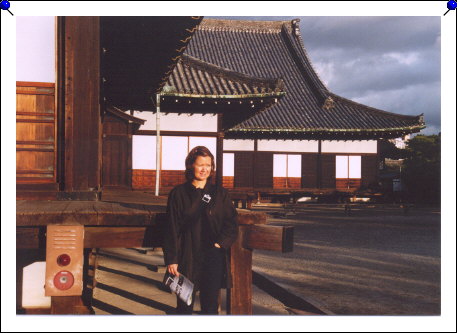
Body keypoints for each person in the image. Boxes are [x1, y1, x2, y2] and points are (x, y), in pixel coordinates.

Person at [163, 146, 238, 315]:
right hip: (185, 255)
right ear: (191, 166)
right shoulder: (178, 194)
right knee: (184, 305)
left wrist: (220, 244)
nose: (204, 169)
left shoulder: (220, 193)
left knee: (210, 305)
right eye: (200, 164)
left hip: (212, 255)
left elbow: (231, 223)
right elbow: (171, 228)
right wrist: (172, 258)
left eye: (208, 165)